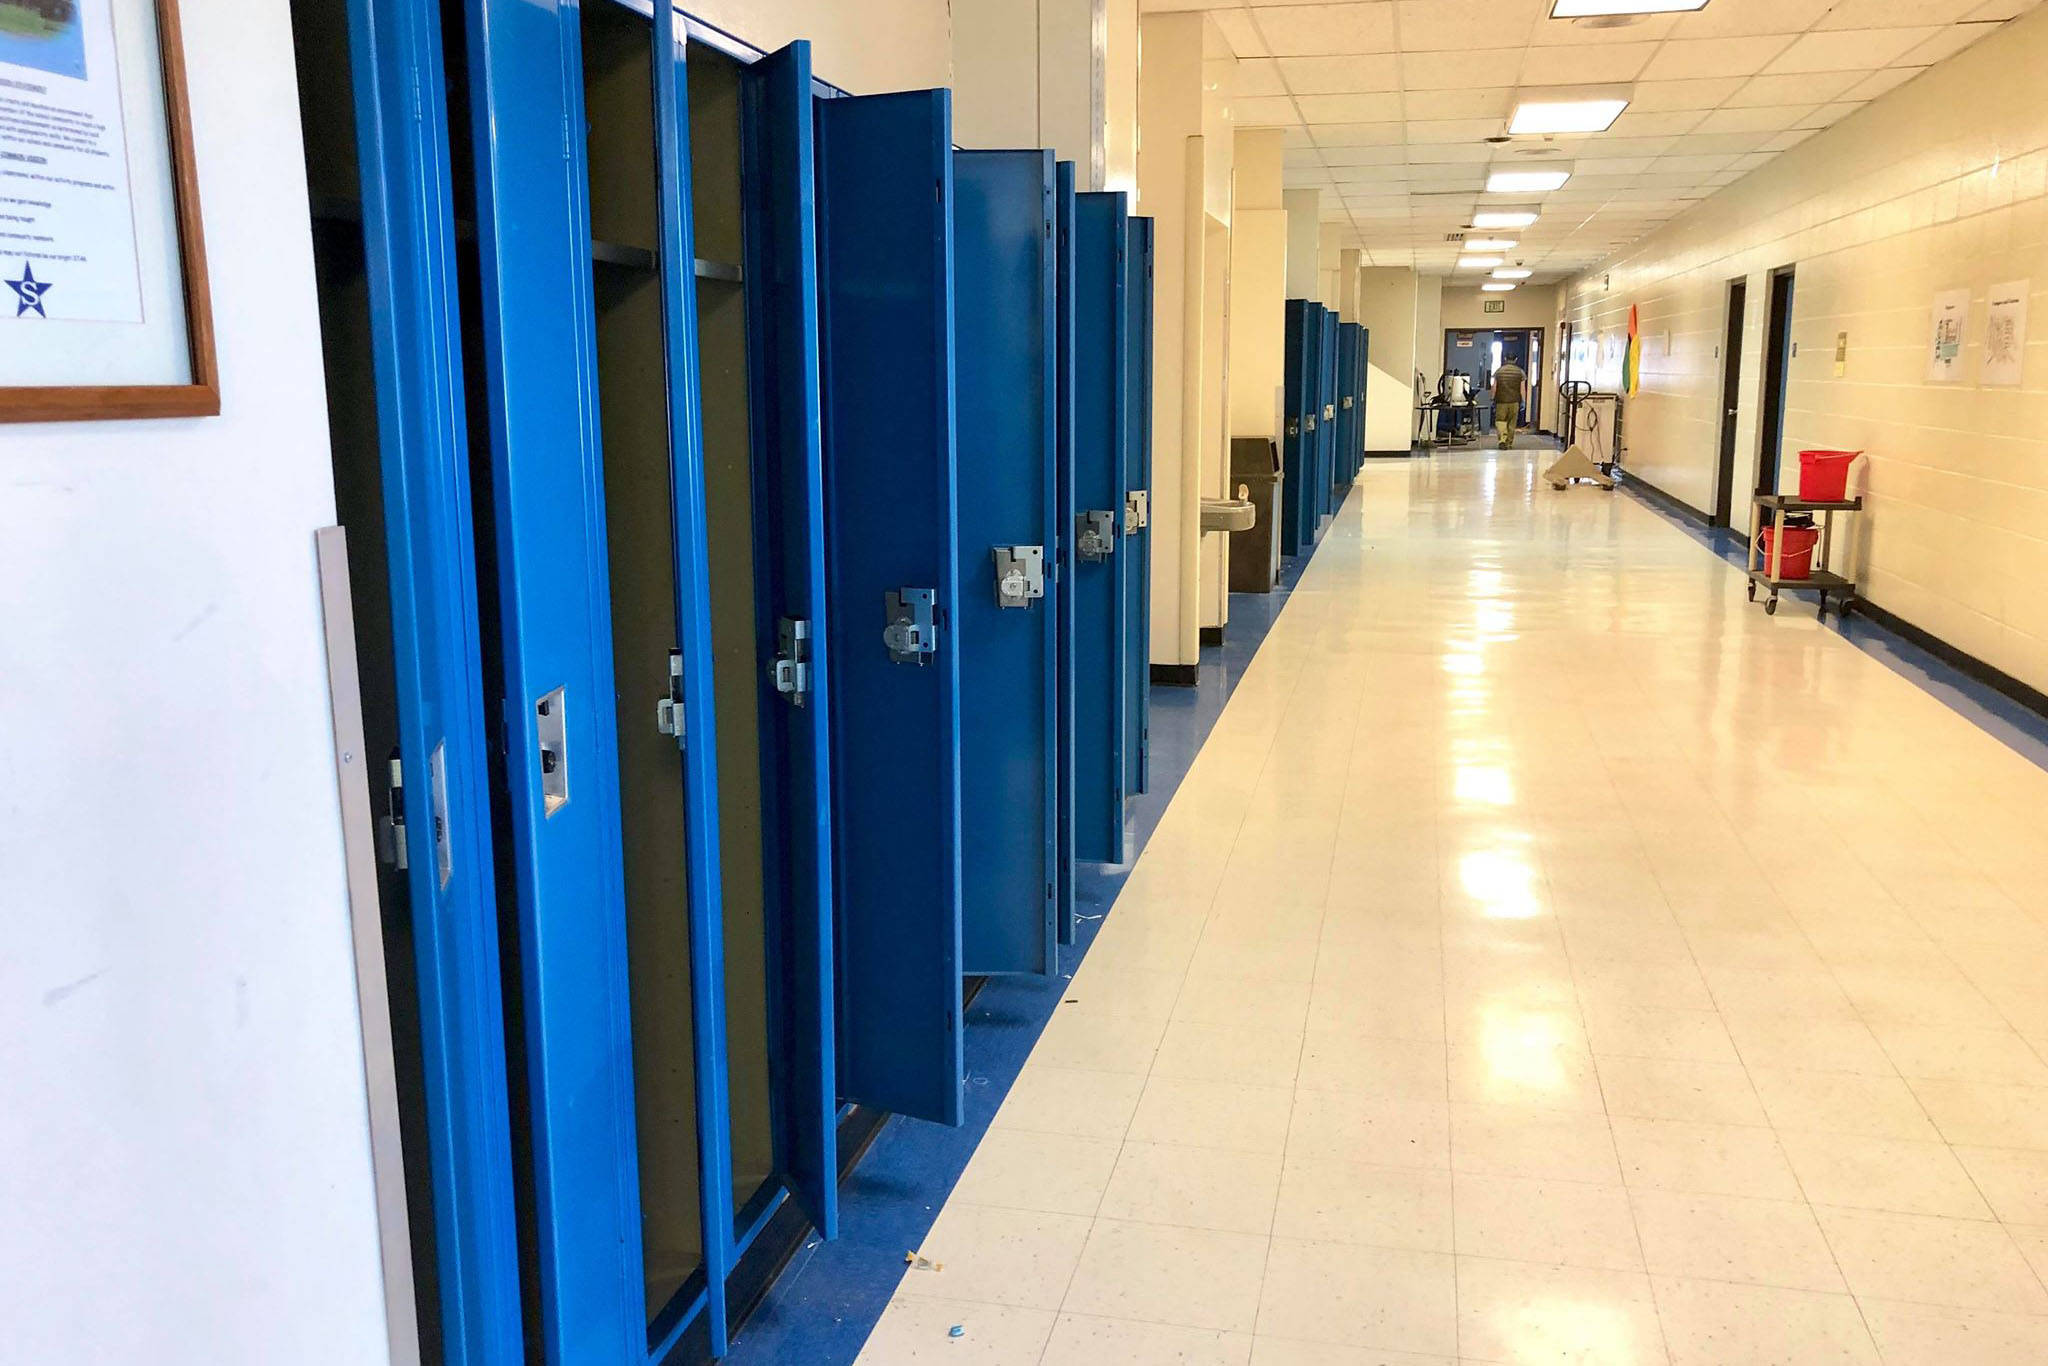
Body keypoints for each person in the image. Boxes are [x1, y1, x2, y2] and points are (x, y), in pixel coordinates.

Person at [1491, 358, 1526, 448]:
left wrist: (1492, 398)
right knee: (1512, 423)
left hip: (1501, 401)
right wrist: (1523, 401)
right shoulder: (1520, 372)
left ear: (1505, 359)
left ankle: (1502, 439)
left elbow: (1494, 387)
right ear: (1516, 359)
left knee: (1500, 421)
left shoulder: (1499, 371)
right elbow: (1522, 388)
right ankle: (1509, 442)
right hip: (1514, 401)